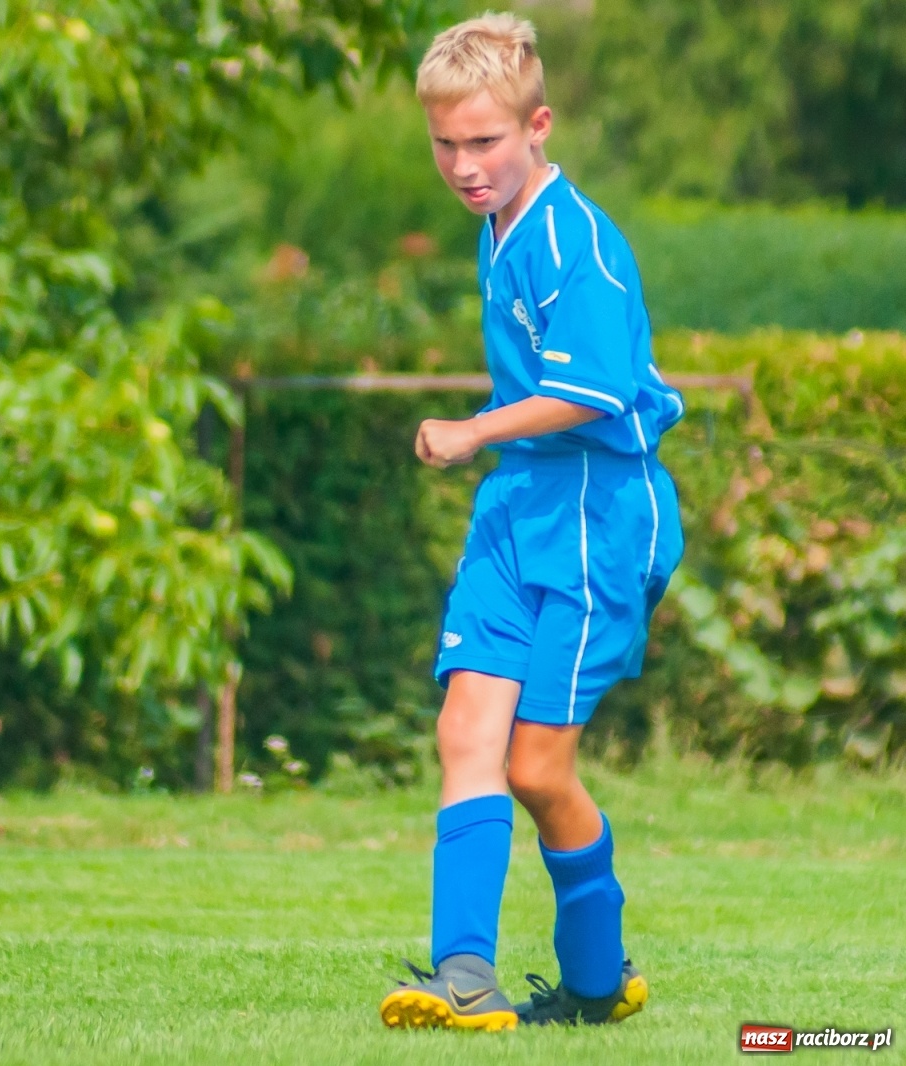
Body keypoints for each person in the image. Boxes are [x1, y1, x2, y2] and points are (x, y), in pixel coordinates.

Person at [377, 12, 685, 1031]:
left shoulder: (576, 241)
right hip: (517, 509)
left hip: (598, 520)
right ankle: (462, 975)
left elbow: (594, 391)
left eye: (484, 143)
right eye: (445, 144)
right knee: (463, 730)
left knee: (536, 768)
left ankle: (598, 978)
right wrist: (490, 450)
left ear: (537, 125)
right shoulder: (496, 224)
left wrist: (470, 430)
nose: (463, 166)